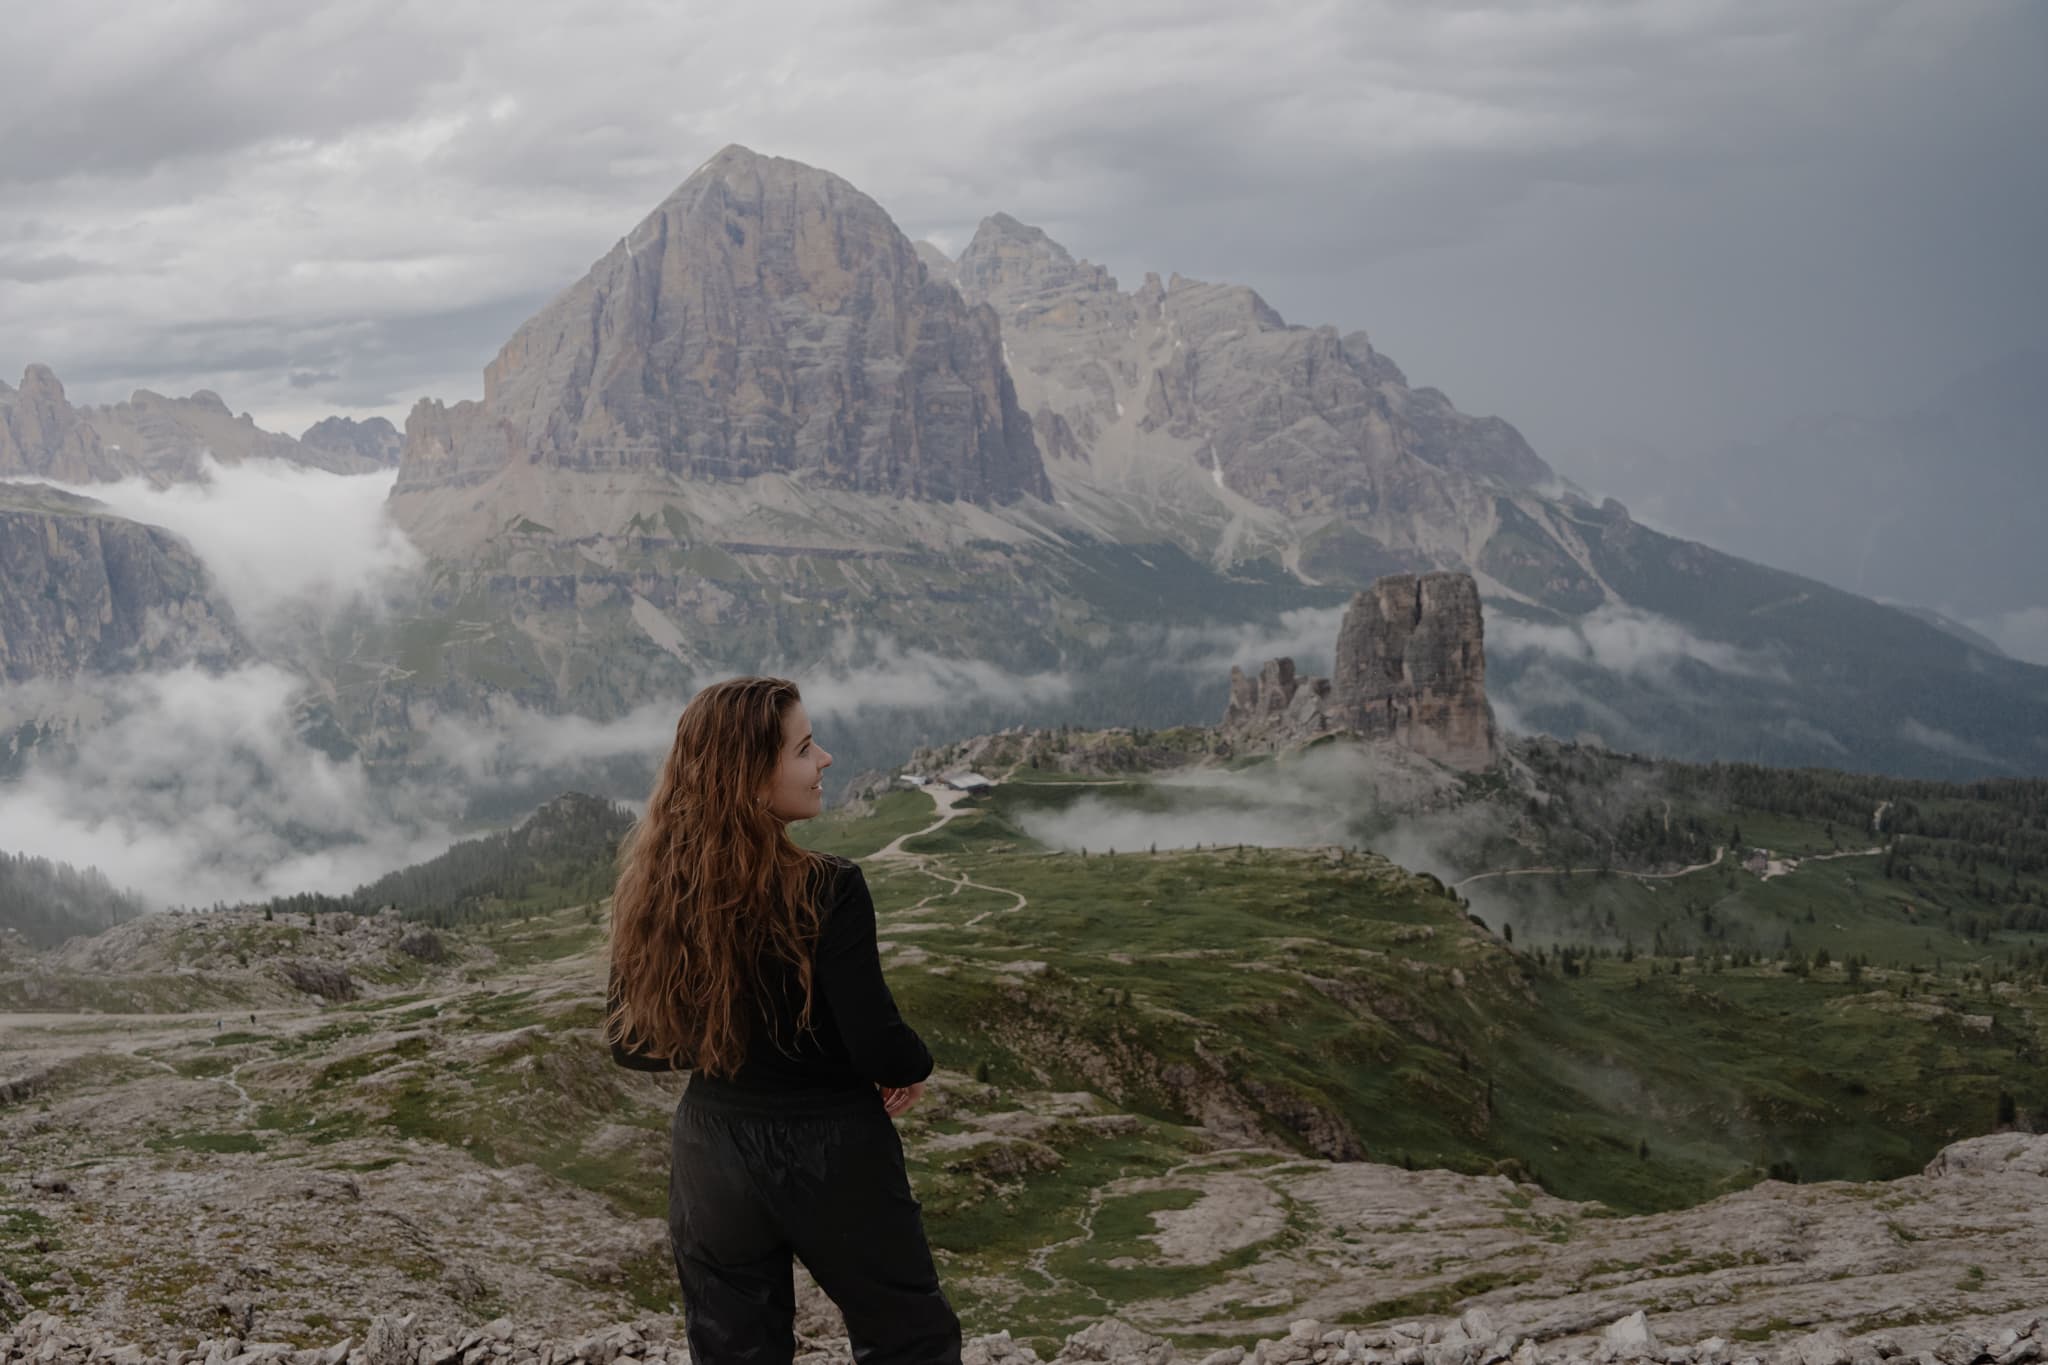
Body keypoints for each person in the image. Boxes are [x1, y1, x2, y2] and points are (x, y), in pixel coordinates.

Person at [604, 676, 960, 1364]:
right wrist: (912, 1066)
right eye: (803, 748)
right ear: (748, 777)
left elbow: (630, 1043)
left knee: (734, 1349)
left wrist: (729, 1043)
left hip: (711, 1148)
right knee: (909, 1339)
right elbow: (876, 1042)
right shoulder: (829, 887)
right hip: (833, 1147)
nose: (824, 758)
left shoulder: (653, 889)